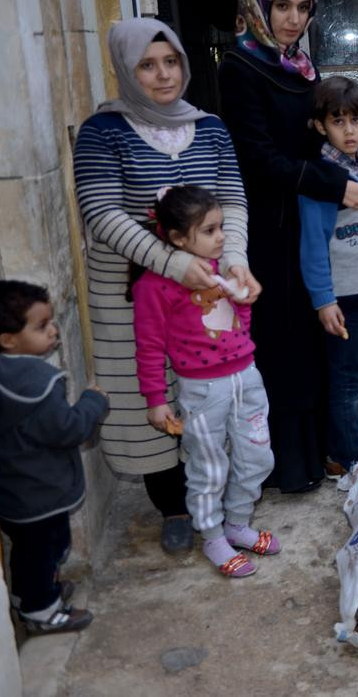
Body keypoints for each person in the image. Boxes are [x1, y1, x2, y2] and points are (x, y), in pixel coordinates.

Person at [73, 18, 256, 553]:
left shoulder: (211, 128)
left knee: (211, 389)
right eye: (147, 65)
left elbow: (233, 200)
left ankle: (218, 502)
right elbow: (101, 213)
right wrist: (172, 263)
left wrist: (234, 261)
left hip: (207, 287)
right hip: (133, 292)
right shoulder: (103, 132)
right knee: (149, 395)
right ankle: (174, 505)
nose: (163, 75)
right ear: (125, 71)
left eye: (171, 62)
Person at [218, 0, 358, 494]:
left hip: (314, 221)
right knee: (284, 347)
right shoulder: (239, 67)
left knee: (319, 345)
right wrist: (332, 185)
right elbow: (256, 156)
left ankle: (324, 452)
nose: (293, 18)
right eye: (282, 6)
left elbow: (329, 129)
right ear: (257, 6)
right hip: (272, 228)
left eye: (303, 8)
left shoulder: (302, 68)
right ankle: (287, 466)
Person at [132, 186, 278, 578]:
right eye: (210, 230)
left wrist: (243, 303)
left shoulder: (220, 271)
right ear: (178, 238)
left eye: (221, 227)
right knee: (209, 465)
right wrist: (155, 399)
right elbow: (149, 347)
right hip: (201, 390)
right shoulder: (153, 286)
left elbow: (237, 320)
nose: (222, 237)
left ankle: (238, 523)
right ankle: (212, 536)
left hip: (246, 378)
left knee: (257, 454)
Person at [0, 281, 109, 634]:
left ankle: (27, 595)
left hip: (12, 491)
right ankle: (42, 612)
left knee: (26, 551)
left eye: (52, 321)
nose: (53, 330)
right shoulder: (36, 384)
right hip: (42, 492)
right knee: (47, 550)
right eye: (41, 327)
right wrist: (93, 402)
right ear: (9, 340)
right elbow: (70, 429)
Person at [299, 77, 358, 478]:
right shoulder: (323, 179)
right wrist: (324, 299)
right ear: (321, 126)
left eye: (356, 120)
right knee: (347, 381)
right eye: (339, 122)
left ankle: (344, 452)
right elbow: (313, 246)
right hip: (343, 298)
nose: (350, 130)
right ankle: (352, 459)